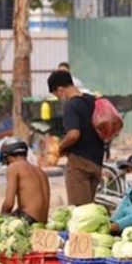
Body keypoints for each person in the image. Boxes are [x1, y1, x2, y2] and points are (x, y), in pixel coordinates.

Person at [48, 69, 105, 206]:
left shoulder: (71, 106)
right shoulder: (91, 100)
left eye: (57, 95)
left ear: (60, 90)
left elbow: (73, 134)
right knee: (90, 209)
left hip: (80, 164)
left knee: (80, 212)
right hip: (96, 161)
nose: (59, 98)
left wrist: (60, 147)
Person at [0, 137, 50, 224]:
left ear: (7, 156)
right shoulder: (40, 171)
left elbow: (9, 204)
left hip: (29, 220)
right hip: (43, 222)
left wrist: (0, 218)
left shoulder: (14, 167)